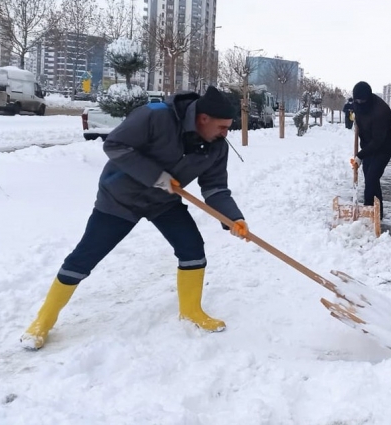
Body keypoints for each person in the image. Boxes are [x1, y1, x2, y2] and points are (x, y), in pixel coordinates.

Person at [21, 86, 249, 349]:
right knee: (85, 256)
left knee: (192, 249)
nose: (225, 133)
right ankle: (42, 322)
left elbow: (215, 188)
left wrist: (233, 218)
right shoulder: (156, 116)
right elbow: (115, 144)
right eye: (222, 127)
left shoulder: (217, 146)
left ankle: (191, 311)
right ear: (203, 118)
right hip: (120, 198)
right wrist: (156, 176)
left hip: (163, 202)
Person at [350, 81, 391, 219]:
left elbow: (378, 141)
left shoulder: (380, 111)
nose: (358, 102)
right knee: (370, 179)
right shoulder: (357, 104)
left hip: (384, 147)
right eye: (356, 100)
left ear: (368, 98)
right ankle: (376, 211)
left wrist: (360, 155)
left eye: (361, 100)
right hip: (368, 145)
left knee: (372, 177)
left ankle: (370, 210)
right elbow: (356, 115)